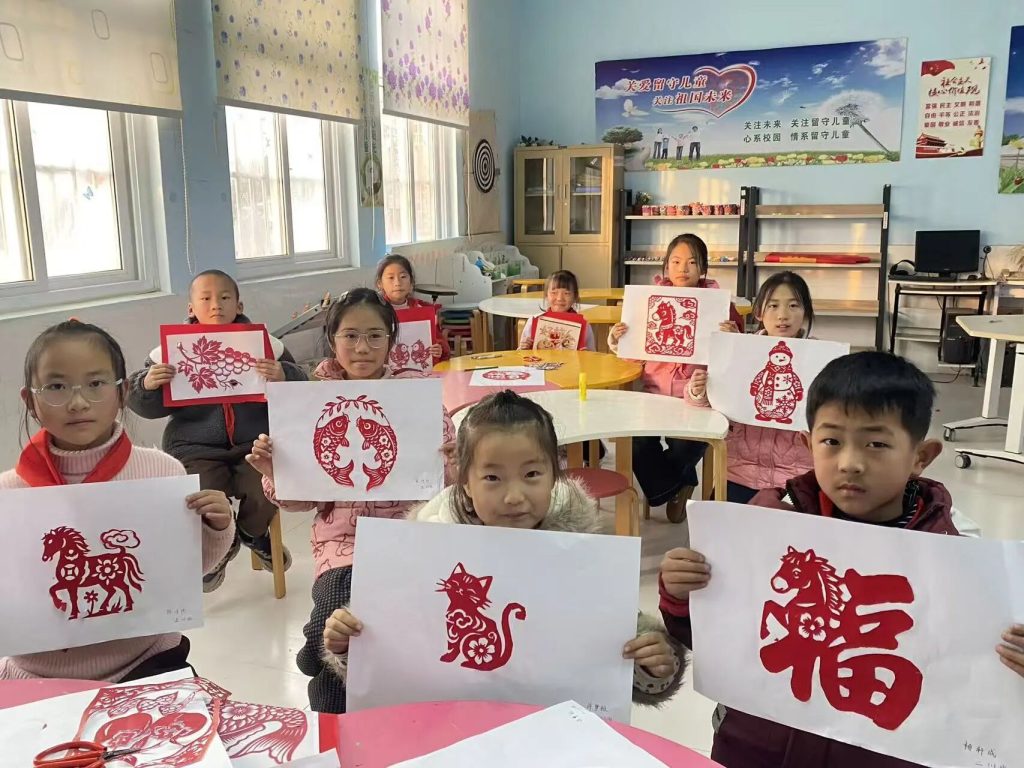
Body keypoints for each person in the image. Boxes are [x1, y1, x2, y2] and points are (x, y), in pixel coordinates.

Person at [659, 351, 1023, 767]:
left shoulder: (955, 555)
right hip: (756, 748)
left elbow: (969, 680)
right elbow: (710, 638)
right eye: (831, 441)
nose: (850, 463)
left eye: (877, 444)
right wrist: (681, 594)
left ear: (920, 457)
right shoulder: (766, 524)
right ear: (807, 444)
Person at [322, 390, 685, 706]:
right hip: (449, 728)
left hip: (549, 733)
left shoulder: (578, 552)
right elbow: (391, 645)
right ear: (465, 481)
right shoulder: (428, 546)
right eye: (492, 477)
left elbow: (619, 644)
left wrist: (653, 661)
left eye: (532, 475)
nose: (514, 496)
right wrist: (350, 645)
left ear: (555, 473)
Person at [246, 288, 455, 713]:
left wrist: (453, 462)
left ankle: (314, 649)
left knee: (380, 632)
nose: (362, 348)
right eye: (351, 335)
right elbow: (300, 502)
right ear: (332, 338)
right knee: (340, 606)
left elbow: (446, 487)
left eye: (375, 336)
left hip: (411, 534)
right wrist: (275, 473)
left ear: (391, 340)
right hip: (342, 542)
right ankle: (325, 676)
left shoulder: (417, 397)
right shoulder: (308, 400)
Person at [1, 320, 234, 681]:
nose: (78, 402)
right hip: (37, 675)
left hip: (148, 663)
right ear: (30, 400)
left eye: (96, 384)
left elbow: (183, 574)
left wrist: (217, 527)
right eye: (56, 386)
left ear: (123, 392)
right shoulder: (9, 495)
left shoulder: (162, 472)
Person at [127, 269, 306, 592]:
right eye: (206, 298)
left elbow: (302, 391)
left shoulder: (268, 345)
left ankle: (250, 535)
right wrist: (148, 384)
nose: (216, 305)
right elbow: (145, 407)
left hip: (256, 443)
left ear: (239, 305)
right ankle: (220, 545)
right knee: (201, 494)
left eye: (224, 298)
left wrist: (284, 375)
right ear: (191, 308)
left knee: (268, 485)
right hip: (194, 447)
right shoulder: (169, 351)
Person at [608, 234, 743, 522]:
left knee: (687, 444)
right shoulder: (648, 301)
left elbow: (736, 362)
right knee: (635, 442)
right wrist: (619, 340)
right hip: (654, 394)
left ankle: (669, 487)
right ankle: (679, 485)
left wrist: (734, 339)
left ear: (703, 268)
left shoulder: (722, 306)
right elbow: (633, 358)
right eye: (676, 262)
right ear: (666, 266)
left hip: (698, 398)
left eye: (692, 262)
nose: (683, 269)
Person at [689, 271, 815, 503]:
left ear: (805, 312)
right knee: (715, 520)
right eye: (773, 306)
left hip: (795, 476)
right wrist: (698, 390)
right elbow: (710, 402)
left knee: (784, 525)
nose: (783, 315)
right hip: (740, 470)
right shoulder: (740, 350)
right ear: (759, 313)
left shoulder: (819, 358)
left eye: (793, 305)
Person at [376, 254, 450, 363]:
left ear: (411, 282)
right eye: (391, 278)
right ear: (380, 284)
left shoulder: (422, 310)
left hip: (421, 370)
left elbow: (440, 344)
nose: (397, 283)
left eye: (403, 277)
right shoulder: (375, 312)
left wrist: (438, 349)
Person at [518, 269, 596, 351]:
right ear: (546, 295)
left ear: (575, 296)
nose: (559, 298)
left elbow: (593, 355)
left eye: (566, 293)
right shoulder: (532, 322)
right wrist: (523, 348)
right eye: (554, 292)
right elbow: (520, 355)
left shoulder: (584, 326)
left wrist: (587, 354)